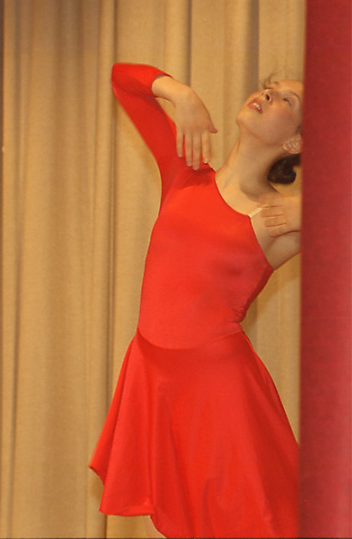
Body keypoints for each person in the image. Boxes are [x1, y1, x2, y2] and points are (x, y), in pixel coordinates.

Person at [89, 63, 302, 539]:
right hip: (156, 379)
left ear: (295, 143)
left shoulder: (277, 217)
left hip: (219, 393)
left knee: (255, 524)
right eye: (268, 89)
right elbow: (124, 80)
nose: (267, 95)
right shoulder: (185, 172)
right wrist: (178, 91)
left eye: (286, 100)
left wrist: (315, 206)